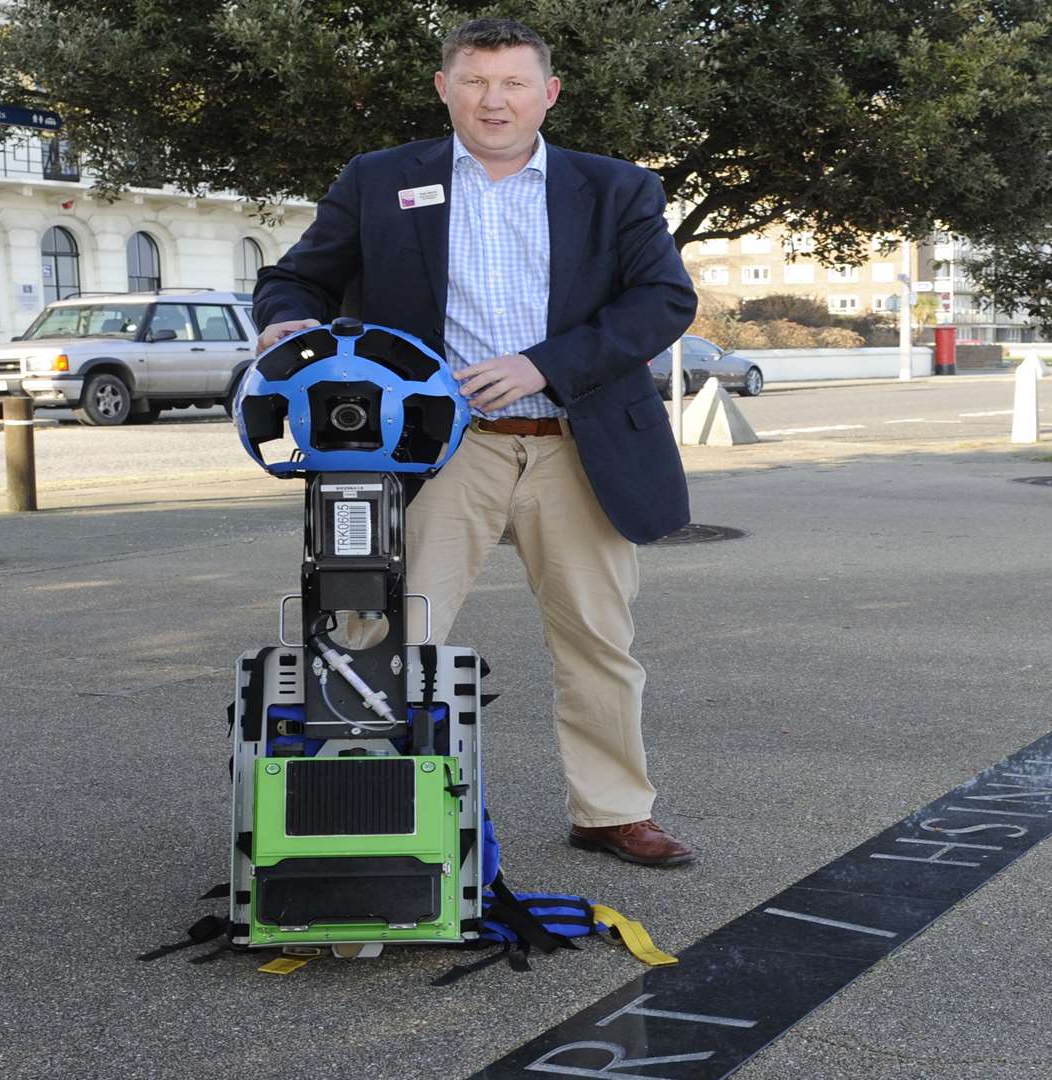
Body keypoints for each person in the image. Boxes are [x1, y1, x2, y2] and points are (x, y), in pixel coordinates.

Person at [253, 18, 697, 867]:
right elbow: (295, 276)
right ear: (444, 87)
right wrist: (288, 319)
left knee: (598, 638)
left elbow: (662, 303)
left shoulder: (616, 188)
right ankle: (362, 800)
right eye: (477, 82)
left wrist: (542, 365)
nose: (495, 101)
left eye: (515, 84)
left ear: (549, 94)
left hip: (579, 439)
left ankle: (610, 812)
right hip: (438, 445)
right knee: (383, 627)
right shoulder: (381, 181)